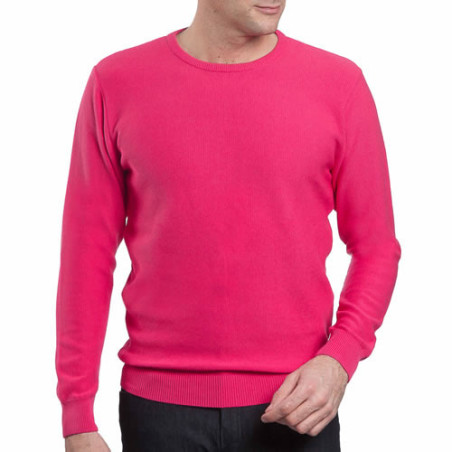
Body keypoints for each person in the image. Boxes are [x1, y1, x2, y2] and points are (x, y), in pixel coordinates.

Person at [55, 1, 402, 451]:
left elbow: (376, 247)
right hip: (158, 411)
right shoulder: (117, 82)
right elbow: (86, 255)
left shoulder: (339, 84)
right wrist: (78, 415)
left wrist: (340, 358)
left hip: (298, 403)